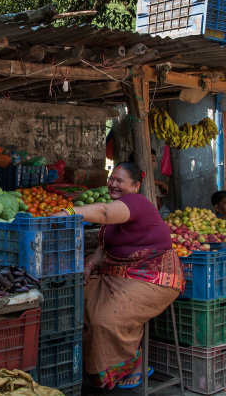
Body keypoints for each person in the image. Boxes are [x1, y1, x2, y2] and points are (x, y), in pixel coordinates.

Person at [52, 161, 184, 390]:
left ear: (135, 186)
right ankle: (94, 365)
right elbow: (105, 247)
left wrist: (67, 212)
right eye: (112, 179)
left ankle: (132, 361)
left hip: (152, 279)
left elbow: (102, 212)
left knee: (106, 319)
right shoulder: (117, 210)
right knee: (75, 299)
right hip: (116, 275)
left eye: (120, 181)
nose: (113, 184)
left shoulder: (136, 203)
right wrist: (90, 264)